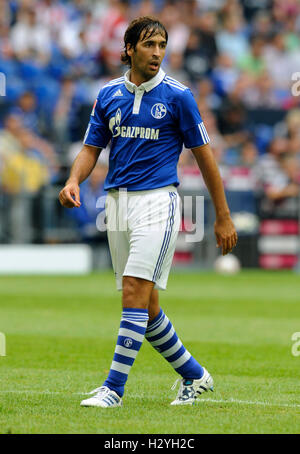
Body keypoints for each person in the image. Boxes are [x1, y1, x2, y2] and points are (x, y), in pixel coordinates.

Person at [59, 16, 238, 408]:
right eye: (148, 45)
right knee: (148, 304)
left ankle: (114, 389)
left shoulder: (178, 96)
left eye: (161, 45)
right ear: (129, 50)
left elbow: (206, 159)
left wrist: (223, 215)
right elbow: (92, 148)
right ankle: (195, 376)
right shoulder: (107, 94)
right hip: (116, 204)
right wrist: (73, 180)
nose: (157, 53)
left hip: (158, 201)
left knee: (133, 293)